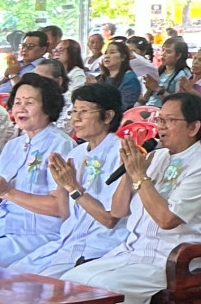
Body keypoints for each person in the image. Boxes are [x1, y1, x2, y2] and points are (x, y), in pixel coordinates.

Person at [17, 91, 201, 304]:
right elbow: (118, 210)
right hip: (133, 251)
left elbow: (166, 219)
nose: (160, 127)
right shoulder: (156, 156)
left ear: (193, 127)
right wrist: (129, 172)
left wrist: (141, 178)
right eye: (159, 120)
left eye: (169, 121)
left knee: (102, 288)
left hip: (173, 258)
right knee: (71, 282)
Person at [16, 81, 132, 277]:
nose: (75, 119)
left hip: (98, 247)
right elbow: (67, 216)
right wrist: (61, 186)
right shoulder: (77, 153)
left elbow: (109, 219)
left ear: (108, 116)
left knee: (35, 286)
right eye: (74, 112)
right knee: (14, 273)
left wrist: (72, 187)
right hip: (68, 241)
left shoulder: (122, 155)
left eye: (84, 112)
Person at [0, 74, 72, 269]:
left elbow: (60, 207)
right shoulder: (13, 146)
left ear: (48, 107)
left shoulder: (60, 145)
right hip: (3, 225)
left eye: (29, 103)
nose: (21, 109)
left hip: (39, 231)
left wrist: (8, 192)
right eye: (17, 102)